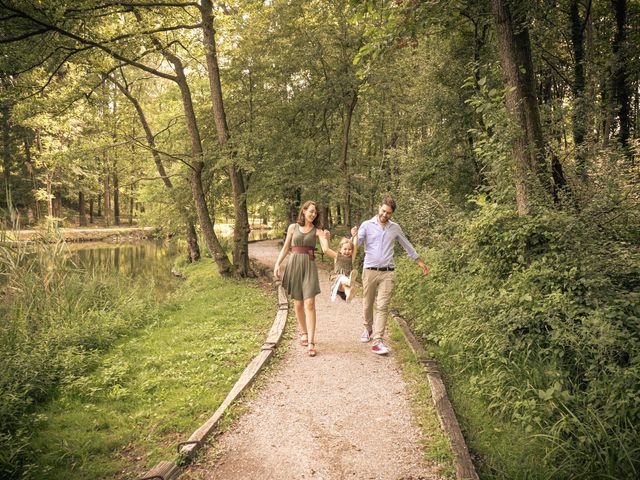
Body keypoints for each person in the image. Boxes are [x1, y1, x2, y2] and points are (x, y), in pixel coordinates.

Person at [357, 197, 429, 355]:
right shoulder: (367, 225)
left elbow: (406, 244)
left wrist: (419, 261)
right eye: (383, 211)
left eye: (388, 213)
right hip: (369, 270)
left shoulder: (395, 228)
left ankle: (378, 341)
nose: (384, 215)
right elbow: (356, 243)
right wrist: (352, 238)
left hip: (388, 272)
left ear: (392, 214)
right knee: (367, 303)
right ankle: (367, 328)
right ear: (379, 208)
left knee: (382, 307)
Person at [274, 200, 329, 357]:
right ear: (303, 211)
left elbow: (325, 249)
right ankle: (304, 333)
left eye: (315, 212)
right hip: (294, 265)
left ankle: (311, 342)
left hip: (309, 267)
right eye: (310, 211)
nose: (313, 214)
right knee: (298, 304)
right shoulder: (293, 227)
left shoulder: (318, 231)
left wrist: (327, 238)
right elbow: (286, 248)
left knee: (310, 304)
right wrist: (277, 264)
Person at [324, 226, 359, 302]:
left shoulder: (351, 258)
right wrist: (326, 238)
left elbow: (355, 245)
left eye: (349, 249)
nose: (347, 251)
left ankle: (349, 294)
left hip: (344, 287)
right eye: (345, 249)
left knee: (345, 286)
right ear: (340, 249)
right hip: (337, 281)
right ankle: (349, 283)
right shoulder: (337, 256)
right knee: (342, 279)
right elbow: (327, 250)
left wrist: (355, 235)